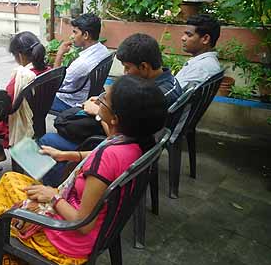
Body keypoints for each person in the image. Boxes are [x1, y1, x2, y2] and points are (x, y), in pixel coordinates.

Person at [0, 75, 168, 265]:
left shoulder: (109, 156)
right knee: (13, 180)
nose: (98, 99)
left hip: (69, 239)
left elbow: (83, 224)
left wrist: (53, 196)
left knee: (7, 191)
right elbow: (99, 159)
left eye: (104, 99)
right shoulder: (133, 143)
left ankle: (7, 264)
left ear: (115, 119)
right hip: (98, 227)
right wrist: (65, 155)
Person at [39, 33, 182, 166]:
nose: (125, 73)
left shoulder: (155, 98)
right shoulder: (164, 83)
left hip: (118, 147)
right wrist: (106, 101)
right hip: (129, 143)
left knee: (48, 140)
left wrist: (99, 113)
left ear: (144, 66)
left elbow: (121, 138)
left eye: (127, 68)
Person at [0, 31, 51, 171]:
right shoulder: (47, 70)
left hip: (19, 123)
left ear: (20, 55)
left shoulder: (22, 78)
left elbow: (5, 106)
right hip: (38, 117)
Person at [51, 13, 109, 112]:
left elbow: (55, 84)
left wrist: (60, 54)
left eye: (75, 32)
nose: (71, 36)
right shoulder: (103, 50)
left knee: (32, 99)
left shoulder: (81, 63)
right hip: (87, 95)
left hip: (69, 102)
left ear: (86, 35)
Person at [175, 14, 221, 89]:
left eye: (189, 35)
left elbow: (171, 94)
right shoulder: (205, 63)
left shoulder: (202, 68)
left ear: (205, 39)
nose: (183, 38)